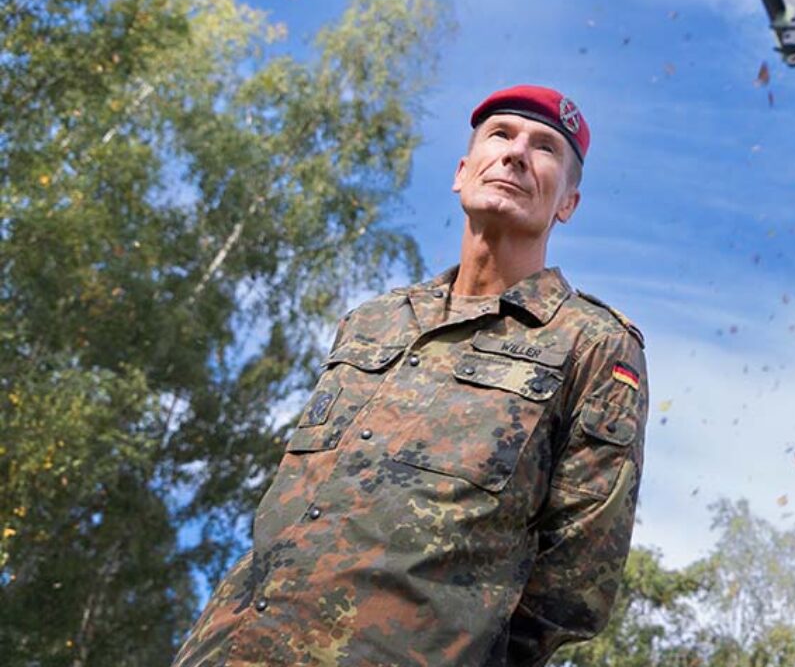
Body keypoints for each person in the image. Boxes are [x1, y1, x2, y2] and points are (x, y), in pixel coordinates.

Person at [174, 85, 648, 666]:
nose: (517, 153)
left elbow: (576, 582)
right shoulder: (373, 322)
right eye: (500, 135)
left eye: (545, 147)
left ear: (567, 202)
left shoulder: (592, 343)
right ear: (461, 172)